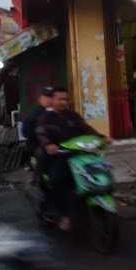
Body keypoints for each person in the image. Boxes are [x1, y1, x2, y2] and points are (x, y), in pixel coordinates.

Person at [36, 87, 104, 231]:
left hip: (78, 155)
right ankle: (63, 215)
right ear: (52, 100)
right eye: (59, 99)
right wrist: (48, 144)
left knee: (97, 171)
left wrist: (101, 137)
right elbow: (41, 133)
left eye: (65, 99)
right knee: (58, 180)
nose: (63, 102)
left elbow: (86, 128)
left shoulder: (73, 116)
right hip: (60, 157)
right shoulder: (46, 118)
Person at [22, 86, 54, 154]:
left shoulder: (56, 112)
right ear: (40, 99)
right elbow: (25, 133)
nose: (49, 100)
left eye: (51, 97)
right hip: (38, 149)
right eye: (46, 97)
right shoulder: (34, 114)